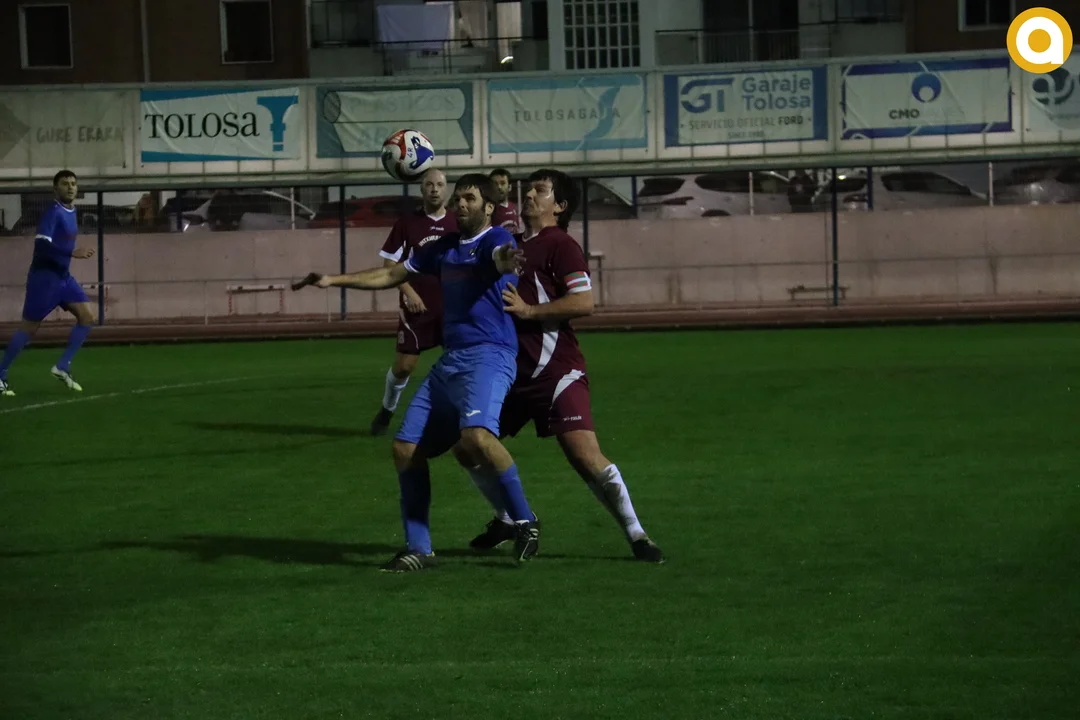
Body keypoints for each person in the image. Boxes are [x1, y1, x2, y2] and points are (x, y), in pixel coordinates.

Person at [295, 174, 540, 572]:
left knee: (477, 436)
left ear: (489, 207)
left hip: (490, 355)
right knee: (405, 449)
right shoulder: (443, 248)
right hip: (453, 358)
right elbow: (391, 274)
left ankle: (525, 521)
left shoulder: (496, 239)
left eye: (470, 198)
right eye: (458, 198)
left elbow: (500, 257)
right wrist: (331, 280)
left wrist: (507, 260)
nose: (461, 204)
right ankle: (419, 548)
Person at [455, 169, 665, 564]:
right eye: (530, 189)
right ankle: (507, 519)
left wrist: (529, 311)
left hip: (556, 372)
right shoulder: (510, 244)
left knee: (584, 455)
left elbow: (584, 302)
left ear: (560, 205)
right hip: (511, 373)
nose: (530, 195)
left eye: (541, 190)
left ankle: (638, 536)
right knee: (467, 445)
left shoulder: (561, 245)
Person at [370, 168, 457, 436]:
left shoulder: (457, 223)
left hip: (453, 309)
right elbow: (389, 265)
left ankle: (461, 418)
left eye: (439, 184)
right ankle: (387, 409)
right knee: (404, 366)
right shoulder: (407, 224)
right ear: (421, 189)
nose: (434, 189)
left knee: (460, 364)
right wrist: (409, 292)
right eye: (429, 184)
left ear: (446, 189)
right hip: (417, 308)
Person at [0, 170, 96, 397]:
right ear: (55, 189)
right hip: (44, 279)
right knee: (29, 329)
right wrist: (72, 252)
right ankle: (1, 374)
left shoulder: (72, 211)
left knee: (87, 317)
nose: (70, 187)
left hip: (63, 278)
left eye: (73, 183)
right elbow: (42, 245)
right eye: (65, 183)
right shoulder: (53, 212)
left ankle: (62, 366)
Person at [489, 168, 522, 234]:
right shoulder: (488, 210)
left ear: (509, 187)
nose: (499, 187)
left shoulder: (514, 207)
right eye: (495, 184)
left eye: (502, 183)